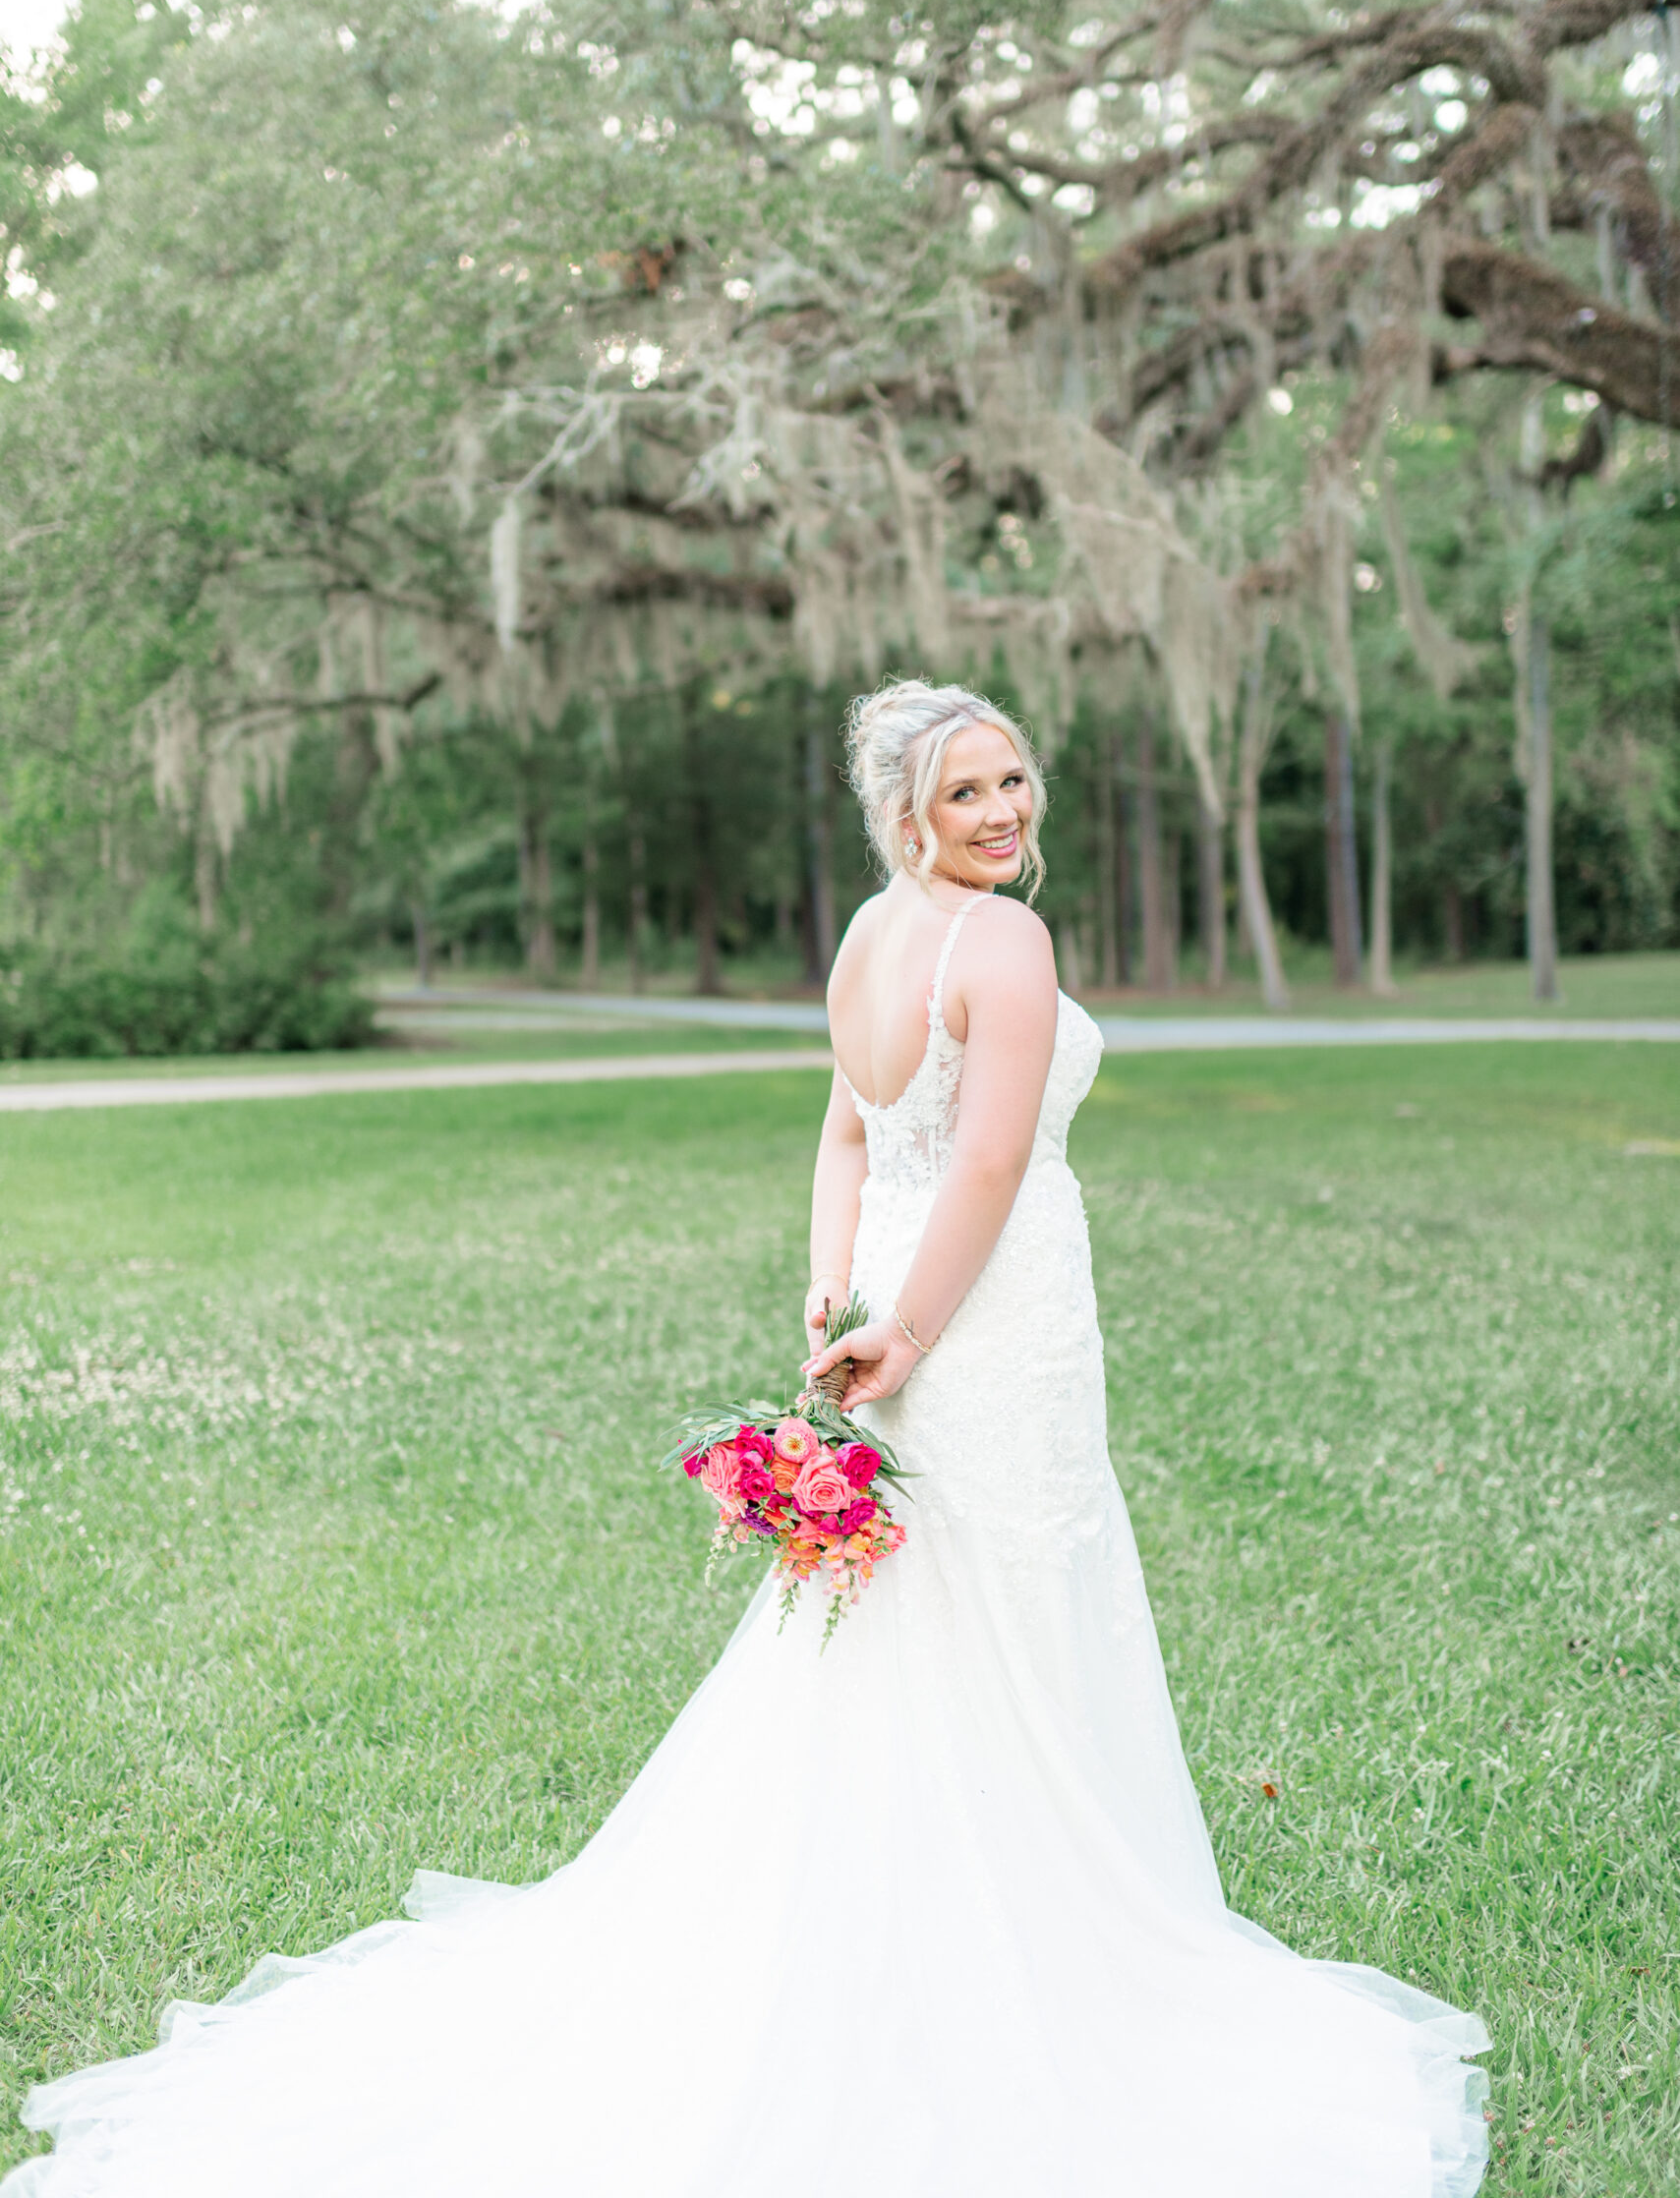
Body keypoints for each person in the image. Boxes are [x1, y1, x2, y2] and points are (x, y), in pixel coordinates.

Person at [7, 679, 1489, 2198]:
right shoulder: (1003, 940)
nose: (1004, 812)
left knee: (905, 1607)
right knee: (1002, 1594)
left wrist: (834, 1291)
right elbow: (979, 1159)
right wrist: (898, 1329)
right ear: (907, 815)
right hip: (978, 1316)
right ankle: (1023, 1948)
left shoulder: (868, 936)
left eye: (1014, 781)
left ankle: (894, 1905)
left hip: (904, 1298)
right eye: (967, 793)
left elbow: (847, 1137)